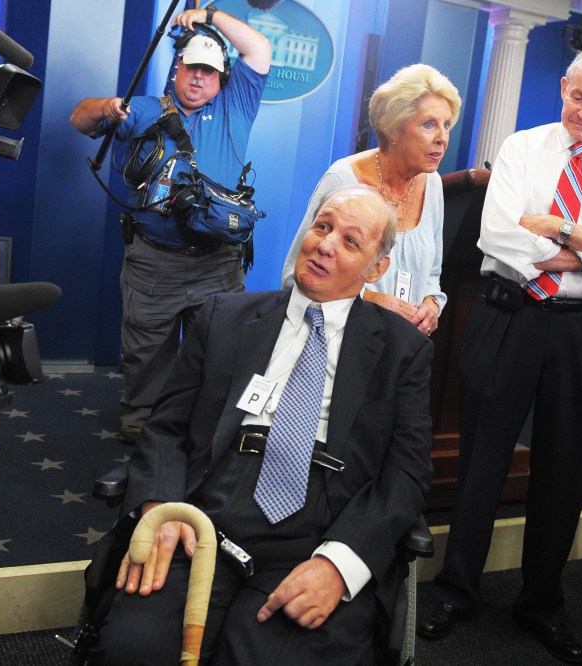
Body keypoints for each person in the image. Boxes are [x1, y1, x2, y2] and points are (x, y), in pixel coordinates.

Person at [85, 185, 433, 664]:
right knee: (132, 651)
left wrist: (340, 565)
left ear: (376, 269)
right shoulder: (223, 317)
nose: (326, 245)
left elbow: (407, 474)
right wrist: (161, 507)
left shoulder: (402, 350)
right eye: (323, 226)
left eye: (350, 241)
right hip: (204, 513)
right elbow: (165, 428)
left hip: (321, 527)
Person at [418, 45, 582, 663]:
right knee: (481, 459)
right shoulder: (522, 148)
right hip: (508, 317)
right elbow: (497, 236)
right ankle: (456, 589)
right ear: (563, 87)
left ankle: (542, 602)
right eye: (577, 96)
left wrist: (557, 229)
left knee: (567, 467)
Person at [70, 7, 271, 444]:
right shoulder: (146, 109)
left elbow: (258, 48)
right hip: (153, 261)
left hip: (218, 262)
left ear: (221, 77)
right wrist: (105, 108)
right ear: (177, 67)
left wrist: (209, 14)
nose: (199, 78)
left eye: (209, 72)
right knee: (146, 350)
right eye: (192, 67)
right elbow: (80, 118)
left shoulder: (236, 105)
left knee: (220, 348)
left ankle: (204, 423)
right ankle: (141, 417)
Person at [280, 64, 461, 336]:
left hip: (400, 345)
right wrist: (369, 301)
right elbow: (294, 276)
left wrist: (431, 304)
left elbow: (432, 274)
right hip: (338, 340)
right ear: (393, 130)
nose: (442, 138)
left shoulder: (432, 183)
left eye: (446, 125)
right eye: (429, 124)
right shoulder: (343, 179)